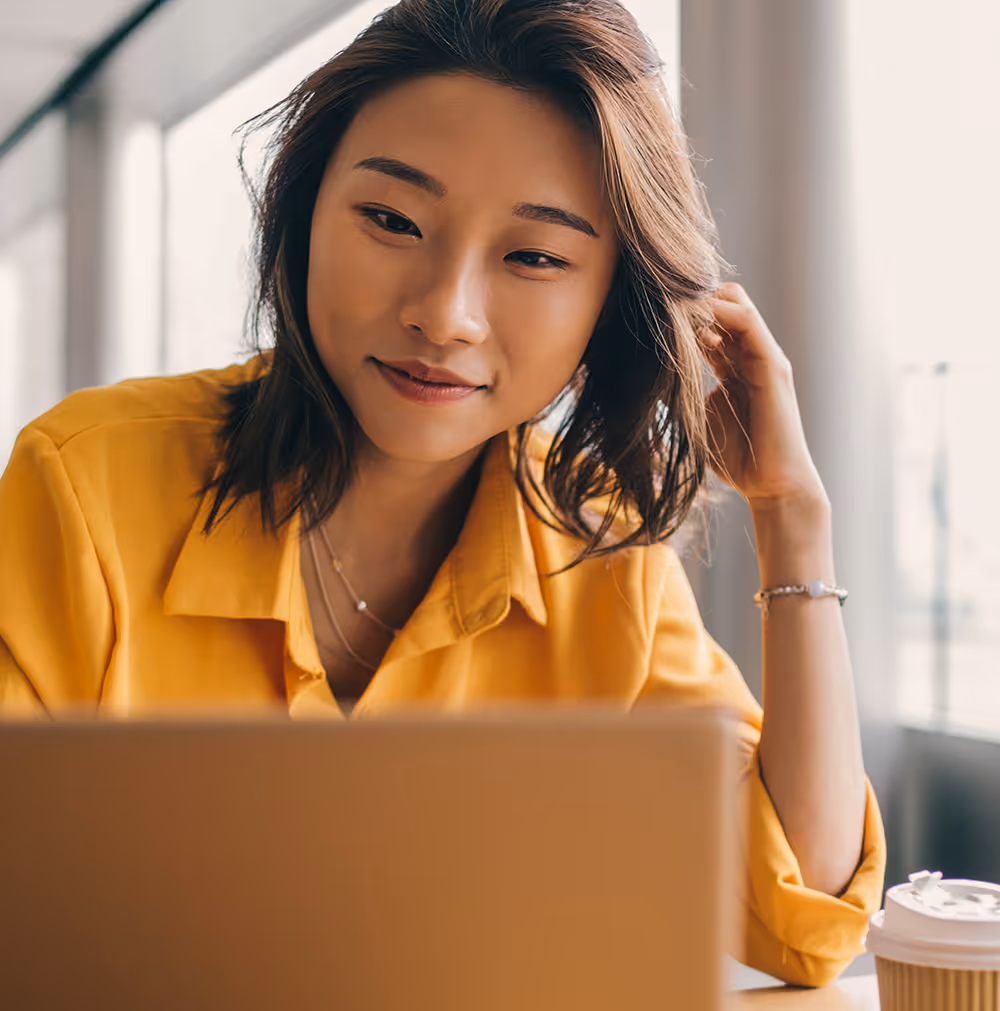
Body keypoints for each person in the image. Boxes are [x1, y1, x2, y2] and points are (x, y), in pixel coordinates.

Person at [0, 0, 885, 988]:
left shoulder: (600, 551)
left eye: (535, 257)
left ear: (611, 302)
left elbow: (802, 920)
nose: (444, 313)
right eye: (390, 220)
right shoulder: (87, 482)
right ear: (299, 216)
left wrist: (793, 518)